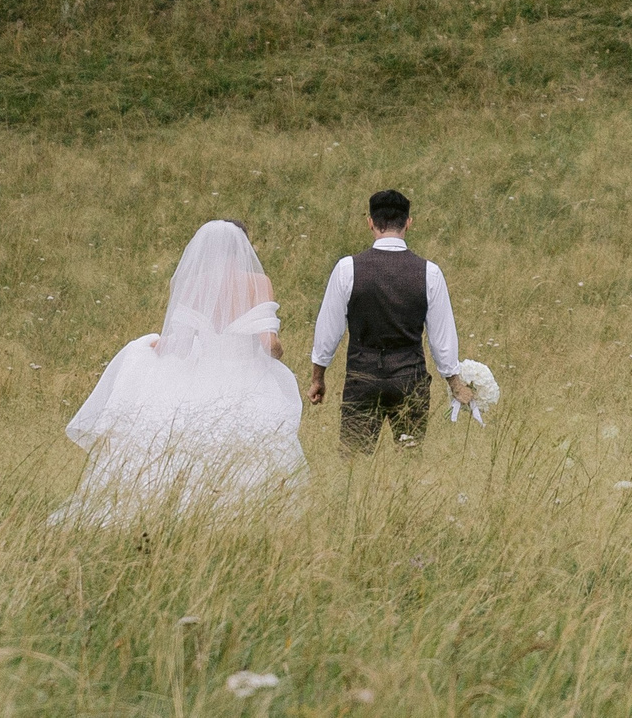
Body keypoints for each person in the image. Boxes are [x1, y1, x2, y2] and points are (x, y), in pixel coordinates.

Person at [52, 220, 308, 524]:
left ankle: (185, 512)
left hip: (203, 375)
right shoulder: (258, 282)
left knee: (194, 443)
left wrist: (153, 345)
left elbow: (181, 348)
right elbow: (269, 344)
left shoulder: (193, 283)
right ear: (244, 247)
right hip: (247, 375)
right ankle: (246, 515)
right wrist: (278, 353)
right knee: (253, 446)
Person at [304, 189, 472, 451]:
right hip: (410, 377)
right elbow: (442, 338)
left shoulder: (347, 268)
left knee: (353, 462)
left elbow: (328, 330)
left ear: (370, 222)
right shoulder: (430, 272)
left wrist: (318, 377)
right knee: (409, 460)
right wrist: (454, 382)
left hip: (362, 376)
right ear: (408, 222)